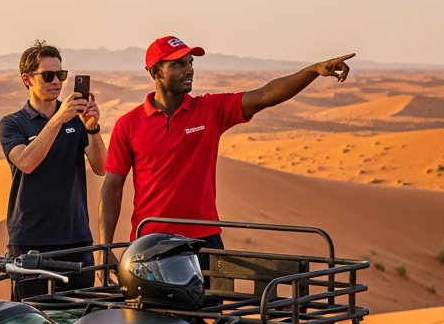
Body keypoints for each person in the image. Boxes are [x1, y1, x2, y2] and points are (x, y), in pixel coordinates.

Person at [98, 36, 354, 265]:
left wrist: (313, 71)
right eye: (178, 64)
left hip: (204, 242)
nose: (189, 70)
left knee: (211, 317)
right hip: (150, 244)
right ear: (156, 72)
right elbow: (112, 187)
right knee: (150, 319)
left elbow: (265, 95)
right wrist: (105, 246)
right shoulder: (128, 124)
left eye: (190, 63)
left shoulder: (210, 110)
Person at [0, 40, 105, 299]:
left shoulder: (76, 121)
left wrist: (91, 127)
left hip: (75, 237)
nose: (56, 81)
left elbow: (101, 167)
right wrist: (59, 119)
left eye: (61, 75)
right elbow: (26, 162)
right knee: (31, 319)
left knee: (80, 318)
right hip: (30, 240)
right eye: (48, 75)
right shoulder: (12, 124)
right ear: (28, 79)